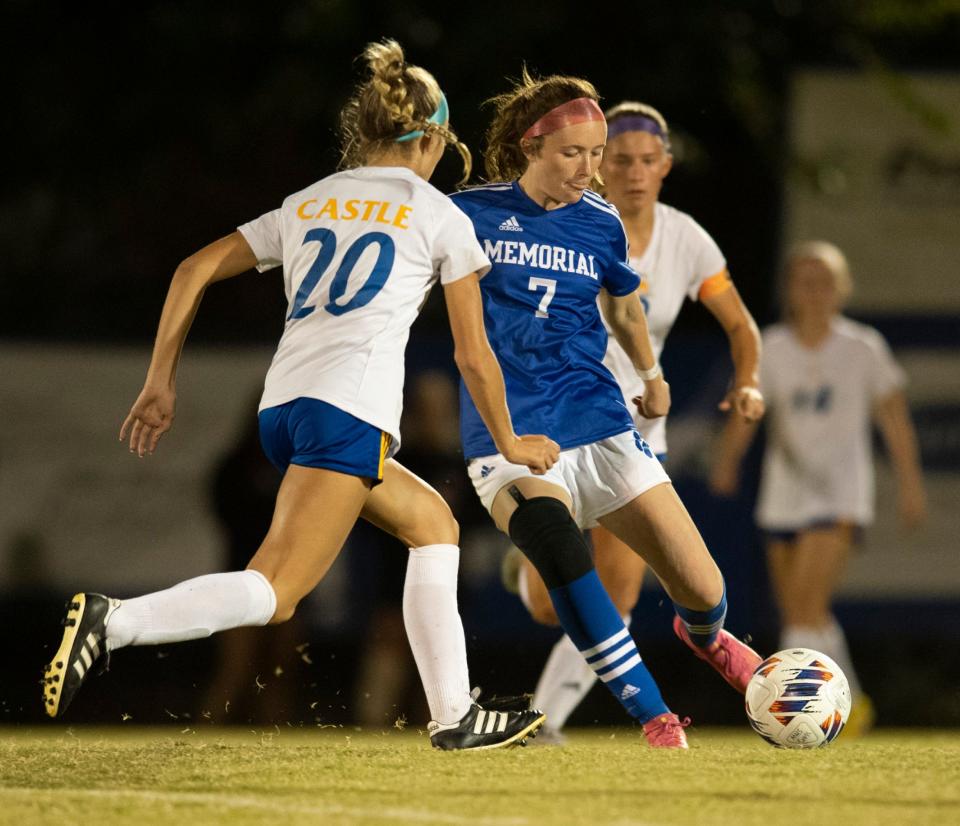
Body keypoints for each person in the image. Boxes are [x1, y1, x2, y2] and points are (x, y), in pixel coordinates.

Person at [42, 40, 559, 751]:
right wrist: (509, 441)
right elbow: (473, 354)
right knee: (275, 591)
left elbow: (193, 269)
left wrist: (160, 379)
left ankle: (454, 714)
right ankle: (116, 621)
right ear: (433, 137)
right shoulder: (441, 215)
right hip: (347, 410)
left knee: (432, 525)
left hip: (286, 407)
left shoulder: (311, 200)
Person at [449, 71, 763, 749]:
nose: (590, 169)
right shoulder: (467, 216)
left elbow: (622, 302)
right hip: (511, 434)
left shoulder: (599, 221)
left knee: (704, 590)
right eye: (576, 154)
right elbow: (447, 330)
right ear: (531, 145)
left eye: (598, 154)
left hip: (602, 421)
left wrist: (650, 372)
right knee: (567, 562)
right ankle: (655, 716)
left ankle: (705, 640)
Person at [710, 240, 927, 734]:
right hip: (784, 496)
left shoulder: (863, 347)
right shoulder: (772, 347)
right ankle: (854, 704)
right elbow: (749, 408)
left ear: (841, 290)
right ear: (790, 290)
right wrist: (728, 460)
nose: (814, 290)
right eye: (804, 280)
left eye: (824, 281)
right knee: (804, 613)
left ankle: (798, 713)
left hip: (840, 495)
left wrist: (910, 486)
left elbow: (894, 419)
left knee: (802, 615)